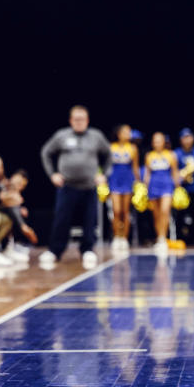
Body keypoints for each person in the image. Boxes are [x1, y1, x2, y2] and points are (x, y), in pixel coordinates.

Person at [40, 105, 111, 270]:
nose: (79, 122)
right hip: (67, 186)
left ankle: (87, 250)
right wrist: (52, 174)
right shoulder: (62, 136)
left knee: (90, 220)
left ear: (87, 120)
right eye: (76, 119)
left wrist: (104, 175)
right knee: (61, 220)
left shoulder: (96, 136)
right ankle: (55, 251)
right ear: (71, 120)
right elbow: (46, 153)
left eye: (82, 119)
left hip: (89, 186)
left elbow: (108, 155)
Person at [144, 132, 180, 254]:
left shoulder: (171, 155)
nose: (157, 143)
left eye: (159, 141)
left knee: (165, 211)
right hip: (154, 186)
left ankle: (163, 238)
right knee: (156, 214)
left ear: (164, 142)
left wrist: (178, 187)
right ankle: (159, 237)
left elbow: (174, 172)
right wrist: (145, 188)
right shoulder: (149, 156)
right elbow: (147, 174)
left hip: (167, 185)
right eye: (155, 141)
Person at [108, 125, 140, 253]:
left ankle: (125, 238)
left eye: (129, 132)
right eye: (125, 132)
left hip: (127, 181)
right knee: (116, 210)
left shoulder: (133, 148)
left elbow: (135, 167)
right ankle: (117, 237)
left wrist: (138, 183)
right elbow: (107, 166)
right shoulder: (111, 147)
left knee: (125, 211)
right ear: (119, 134)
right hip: (114, 181)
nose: (128, 134)